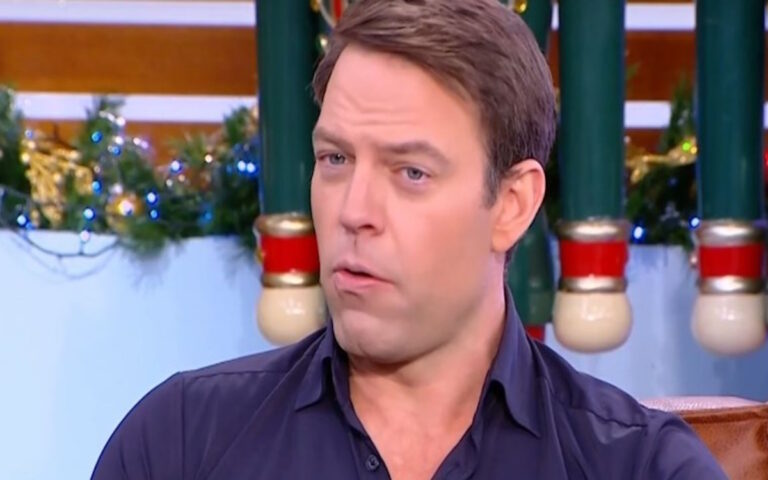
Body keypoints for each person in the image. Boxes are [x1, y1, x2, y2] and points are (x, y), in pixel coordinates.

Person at [92, 0, 726, 478]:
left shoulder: (642, 466)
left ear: (511, 205)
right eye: (335, 159)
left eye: (411, 172)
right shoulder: (179, 443)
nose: (354, 212)